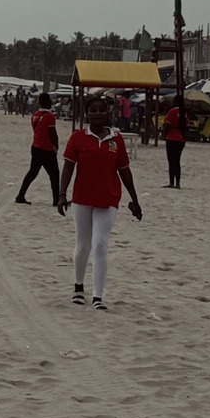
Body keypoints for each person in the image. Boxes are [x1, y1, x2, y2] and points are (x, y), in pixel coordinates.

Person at [58, 97, 142, 307]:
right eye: (93, 110)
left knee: (100, 244)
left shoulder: (116, 139)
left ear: (108, 113)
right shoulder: (78, 137)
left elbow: (124, 170)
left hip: (109, 198)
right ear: (86, 114)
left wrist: (135, 199)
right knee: (83, 243)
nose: (97, 113)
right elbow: (68, 167)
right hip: (82, 198)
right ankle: (78, 287)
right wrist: (61, 194)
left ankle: (98, 296)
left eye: (101, 110)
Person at [17, 96, 64, 207]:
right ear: (48, 102)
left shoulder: (35, 115)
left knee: (32, 172)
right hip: (47, 149)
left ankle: (20, 195)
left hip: (35, 147)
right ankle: (56, 200)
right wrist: (56, 146)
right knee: (54, 175)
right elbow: (52, 133)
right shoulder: (50, 116)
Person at [161, 97, 189, 189]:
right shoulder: (184, 112)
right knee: (177, 161)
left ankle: (171, 182)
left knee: (171, 161)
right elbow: (187, 125)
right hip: (181, 138)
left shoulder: (172, 111)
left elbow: (167, 123)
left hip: (171, 137)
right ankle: (178, 183)